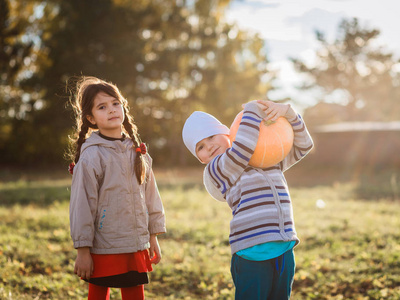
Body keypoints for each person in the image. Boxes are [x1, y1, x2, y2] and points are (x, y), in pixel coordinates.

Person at [182, 100, 313, 299]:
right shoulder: (217, 169)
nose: (208, 147)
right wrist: (252, 110)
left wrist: (289, 112)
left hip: (283, 248)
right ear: (200, 158)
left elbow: (304, 145)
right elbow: (242, 150)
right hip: (251, 253)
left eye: (211, 137)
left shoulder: (267, 158)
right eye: (200, 147)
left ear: (227, 133)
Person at [68, 76, 166, 300]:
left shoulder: (138, 152)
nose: (111, 110)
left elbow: (151, 197)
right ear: (91, 118)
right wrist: (83, 250)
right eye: (102, 107)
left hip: (134, 244)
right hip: (103, 246)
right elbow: (81, 205)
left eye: (115, 103)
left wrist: (153, 237)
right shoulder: (92, 156)